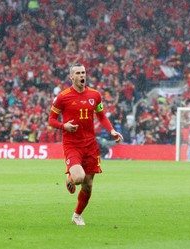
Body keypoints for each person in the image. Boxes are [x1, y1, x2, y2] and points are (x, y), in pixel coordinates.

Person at [48, 63, 123, 226]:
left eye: (84, 73)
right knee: (79, 178)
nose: (82, 75)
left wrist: (112, 131)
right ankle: (70, 178)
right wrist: (64, 126)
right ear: (71, 77)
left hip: (90, 144)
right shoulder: (63, 97)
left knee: (88, 184)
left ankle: (77, 215)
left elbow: (101, 116)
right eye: (79, 73)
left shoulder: (95, 95)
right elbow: (51, 120)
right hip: (72, 144)